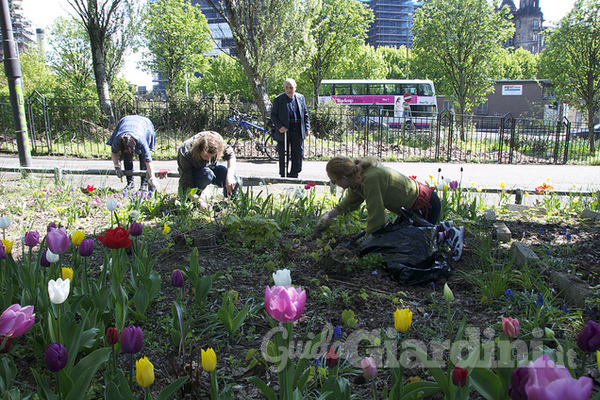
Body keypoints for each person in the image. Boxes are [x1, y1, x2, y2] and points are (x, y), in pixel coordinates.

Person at [318, 156, 464, 260]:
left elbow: (376, 216)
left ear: (343, 178)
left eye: (334, 181)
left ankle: (449, 235)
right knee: (398, 236)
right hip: (412, 211)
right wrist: (327, 216)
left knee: (409, 244)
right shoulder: (357, 180)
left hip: (425, 206)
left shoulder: (370, 180)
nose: (335, 184)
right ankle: (441, 228)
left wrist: (368, 245)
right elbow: (348, 203)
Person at [177, 131, 241, 210]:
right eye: (206, 155)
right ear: (199, 150)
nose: (208, 159)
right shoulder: (186, 152)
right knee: (207, 175)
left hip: (211, 168)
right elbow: (186, 187)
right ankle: (194, 203)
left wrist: (229, 177)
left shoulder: (217, 141)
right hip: (195, 175)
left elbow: (231, 155)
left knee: (235, 180)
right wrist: (198, 201)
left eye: (212, 156)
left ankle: (233, 204)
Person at [107, 115, 159, 192]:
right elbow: (114, 152)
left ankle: (144, 184)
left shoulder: (141, 140)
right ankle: (130, 183)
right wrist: (117, 167)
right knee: (127, 157)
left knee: (142, 156)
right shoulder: (117, 140)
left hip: (144, 124)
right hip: (126, 121)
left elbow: (148, 160)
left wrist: (152, 178)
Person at [270, 78, 310, 178]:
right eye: (286, 88)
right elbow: (273, 115)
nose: (288, 90)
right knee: (284, 153)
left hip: (297, 129)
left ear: (295, 87)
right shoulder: (278, 99)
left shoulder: (300, 97)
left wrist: (307, 128)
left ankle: (294, 173)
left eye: (291, 87)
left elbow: (305, 114)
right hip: (284, 130)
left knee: (297, 152)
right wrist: (279, 127)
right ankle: (284, 173)